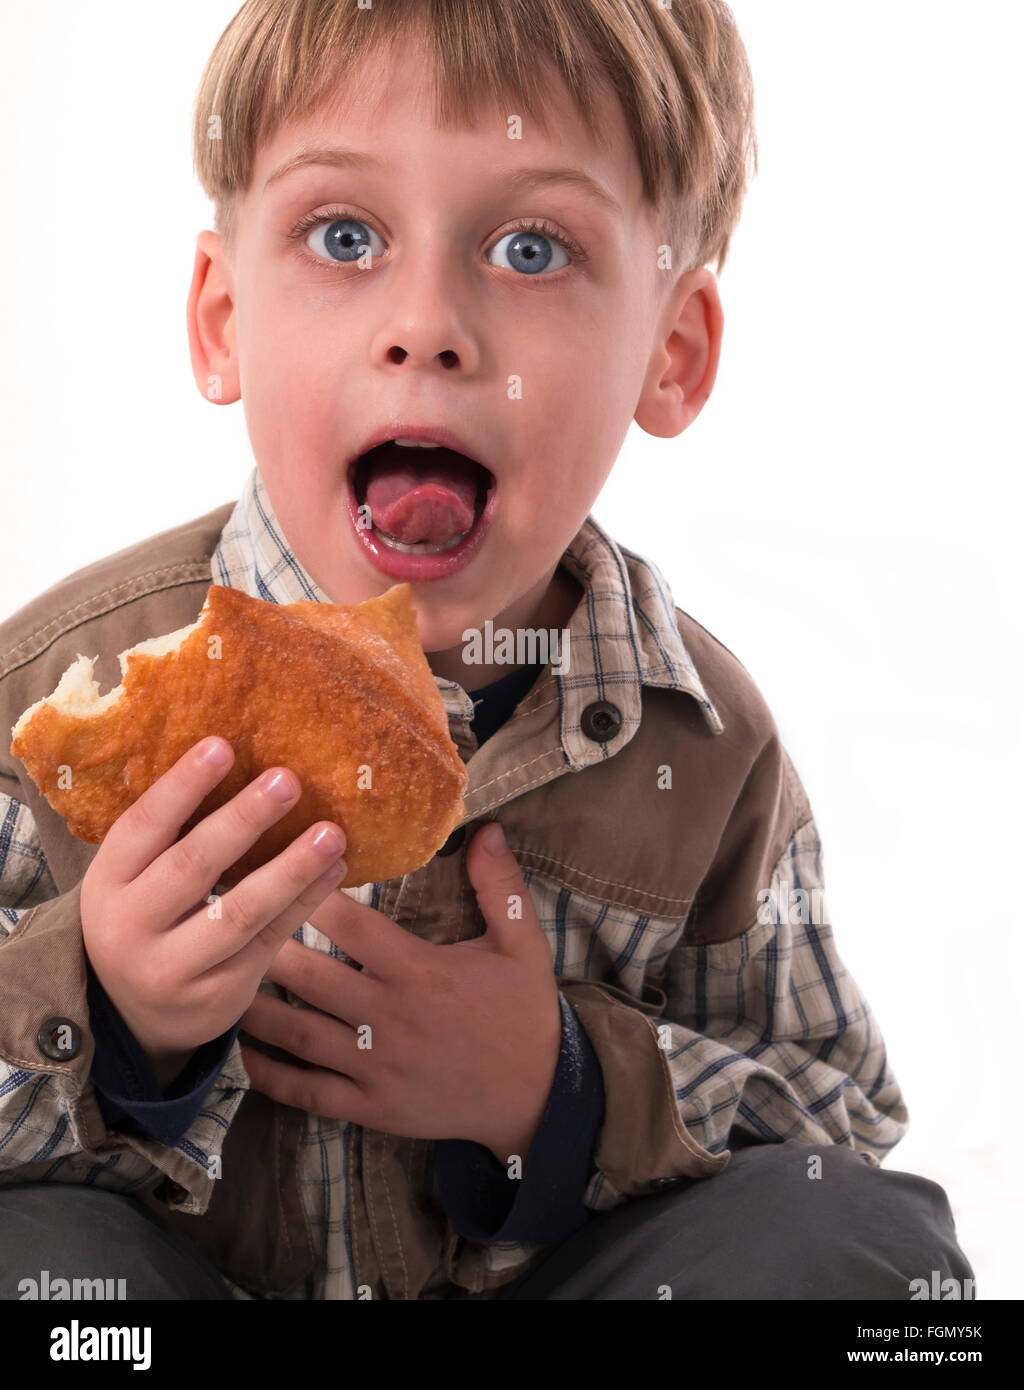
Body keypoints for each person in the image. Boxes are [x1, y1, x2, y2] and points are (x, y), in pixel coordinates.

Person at [0, 0, 973, 1301]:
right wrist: (108, 1010)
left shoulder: (705, 748)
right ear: (223, 318)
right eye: (344, 236)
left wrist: (561, 1092)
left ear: (671, 352)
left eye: (531, 246)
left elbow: (835, 1127)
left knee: (872, 1259)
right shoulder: (55, 696)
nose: (428, 324)